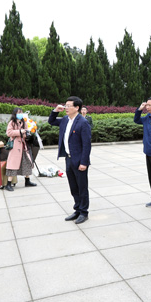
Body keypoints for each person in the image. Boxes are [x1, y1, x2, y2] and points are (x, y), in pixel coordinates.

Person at [48, 96, 92, 224]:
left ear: (77, 107)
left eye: (68, 106)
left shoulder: (83, 123)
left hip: (79, 160)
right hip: (68, 158)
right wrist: (55, 110)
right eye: (65, 105)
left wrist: (84, 162)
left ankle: (84, 212)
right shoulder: (65, 120)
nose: (66, 108)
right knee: (73, 186)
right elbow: (51, 121)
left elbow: (87, 145)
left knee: (82, 187)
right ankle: (77, 209)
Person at [5, 107, 36, 191]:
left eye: (21, 112)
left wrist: (27, 134)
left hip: (23, 145)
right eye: (19, 112)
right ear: (15, 114)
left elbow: (25, 132)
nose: (20, 114)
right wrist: (19, 132)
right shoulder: (12, 122)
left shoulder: (24, 122)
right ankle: (8, 184)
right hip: (15, 146)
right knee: (12, 165)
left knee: (27, 162)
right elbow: (8, 133)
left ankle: (27, 181)